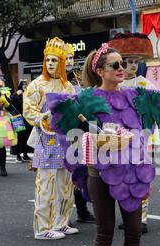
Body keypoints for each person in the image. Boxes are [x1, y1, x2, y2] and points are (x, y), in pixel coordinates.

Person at [48, 43, 160, 246]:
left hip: (131, 174)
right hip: (99, 174)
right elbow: (70, 134)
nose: (121, 69)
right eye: (115, 65)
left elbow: (150, 124)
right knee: (105, 232)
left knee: (135, 231)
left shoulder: (134, 97)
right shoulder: (86, 99)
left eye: (122, 64)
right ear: (100, 71)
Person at [23, 37, 79, 240]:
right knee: (46, 183)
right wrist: (42, 118)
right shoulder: (37, 84)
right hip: (46, 140)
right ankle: (42, 228)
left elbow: (76, 109)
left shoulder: (68, 86)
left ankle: (61, 223)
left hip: (65, 140)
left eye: (55, 60)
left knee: (65, 182)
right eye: (48, 60)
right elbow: (29, 111)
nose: (51, 64)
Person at [109, 32, 156, 234]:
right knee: (122, 178)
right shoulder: (114, 85)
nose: (133, 66)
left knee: (141, 177)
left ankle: (141, 218)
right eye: (128, 62)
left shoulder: (146, 85)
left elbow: (154, 112)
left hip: (139, 139)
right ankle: (128, 215)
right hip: (119, 140)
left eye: (136, 62)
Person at [65, 42, 95, 224]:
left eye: (71, 57)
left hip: (79, 129)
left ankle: (82, 210)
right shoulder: (55, 80)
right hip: (63, 130)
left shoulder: (77, 78)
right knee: (63, 175)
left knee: (80, 171)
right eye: (66, 58)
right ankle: (62, 214)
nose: (69, 61)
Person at [11, 79, 33, 162]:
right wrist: (16, 95)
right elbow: (11, 101)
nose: (24, 85)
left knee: (26, 136)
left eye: (25, 84)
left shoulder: (28, 94)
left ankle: (25, 154)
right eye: (23, 84)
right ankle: (18, 155)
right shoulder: (17, 93)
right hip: (18, 118)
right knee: (18, 137)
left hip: (27, 117)